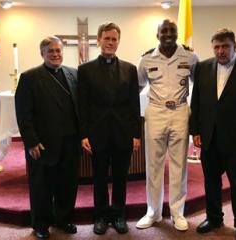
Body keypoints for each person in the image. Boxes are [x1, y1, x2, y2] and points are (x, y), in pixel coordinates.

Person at [189, 28, 236, 240]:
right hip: (209, 139)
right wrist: (194, 130)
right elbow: (196, 102)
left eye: (225, 46)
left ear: (235, 46)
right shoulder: (203, 67)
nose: (220, 51)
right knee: (211, 182)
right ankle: (214, 218)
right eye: (216, 47)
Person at [78, 22, 141, 235]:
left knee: (121, 178)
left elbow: (134, 104)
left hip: (123, 133)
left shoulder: (130, 69)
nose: (110, 42)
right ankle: (101, 216)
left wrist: (136, 134)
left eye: (114, 39)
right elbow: (82, 105)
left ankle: (119, 215)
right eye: (107, 38)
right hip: (98, 133)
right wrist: (84, 133)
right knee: (100, 178)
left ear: (118, 42)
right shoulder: (85, 70)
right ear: (99, 40)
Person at [15, 36, 80, 239]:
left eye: (58, 51)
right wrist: (31, 141)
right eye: (50, 51)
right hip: (43, 143)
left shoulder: (73, 74)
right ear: (42, 53)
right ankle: (40, 224)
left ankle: (63, 218)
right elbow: (23, 113)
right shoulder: (30, 77)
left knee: (68, 183)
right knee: (41, 186)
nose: (55, 54)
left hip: (70, 140)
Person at [136, 19, 198, 231]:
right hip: (156, 112)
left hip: (180, 111)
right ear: (157, 35)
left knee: (179, 164)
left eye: (172, 30)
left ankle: (177, 213)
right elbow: (138, 85)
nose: (168, 34)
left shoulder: (190, 56)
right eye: (164, 31)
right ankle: (153, 212)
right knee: (153, 164)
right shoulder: (146, 59)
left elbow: (200, 87)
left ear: (177, 32)